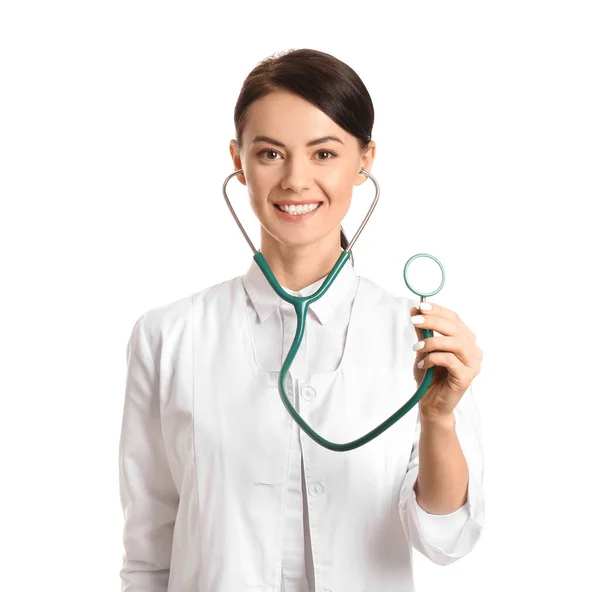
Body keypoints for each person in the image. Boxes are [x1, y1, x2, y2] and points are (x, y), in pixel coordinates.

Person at [118, 48, 485, 592]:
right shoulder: (167, 337)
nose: (295, 179)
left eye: (324, 153)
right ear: (238, 162)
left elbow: (444, 538)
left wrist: (438, 418)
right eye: (269, 153)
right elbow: (149, 555)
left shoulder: (417, 337)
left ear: (365, 161)